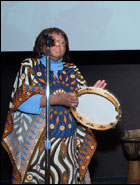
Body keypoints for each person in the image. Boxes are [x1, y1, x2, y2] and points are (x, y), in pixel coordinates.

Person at [1, 27, 107, 184]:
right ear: (41, 45)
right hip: (39, 143)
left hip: (68, 141)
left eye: (63, 42)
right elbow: (21, 101)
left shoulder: (72, 70)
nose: (59, 45)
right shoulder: (30, 66)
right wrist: (57, 100)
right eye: (54, 42)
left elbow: (79, 102)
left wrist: (92, 94)